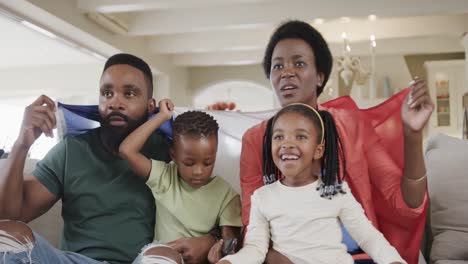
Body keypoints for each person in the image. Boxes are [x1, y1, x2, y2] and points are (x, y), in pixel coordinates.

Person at [240, 20, 433, 264]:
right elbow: (253, 226)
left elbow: (405, 203)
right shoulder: (255, 140)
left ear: (320, 77)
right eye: (277, 66)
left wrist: (412, 135)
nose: (286, 72)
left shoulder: (350, 124)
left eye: (299, 63)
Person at [0, 53, 215, 264]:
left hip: (142, 261)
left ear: (151, 106)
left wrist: (210, 240)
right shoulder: (71, 150)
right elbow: (11, 215)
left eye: (129, 94)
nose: (115, 102)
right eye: (107, 93)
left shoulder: (168, 153)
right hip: (74, 261)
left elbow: (211, 205)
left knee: (163, 258)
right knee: (7, 236)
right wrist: (21, 144)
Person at [218, 103, 407, 264]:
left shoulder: (335, 190)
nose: (287, 143)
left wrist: (393, 260)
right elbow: (255, 248)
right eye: (279, 137)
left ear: (318, 150)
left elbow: (367, 237)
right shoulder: (262, 197)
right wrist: (230, 261)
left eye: (300, 137)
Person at [119, 99, 242, 264]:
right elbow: (127, 150)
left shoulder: (226, 194)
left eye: (208, 162)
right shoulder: (165, 177)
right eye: (189, 163)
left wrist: (220, 254)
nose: (198, 171)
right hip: (160, 257)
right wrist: (162, 116)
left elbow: (230, 243)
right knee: (161, 255)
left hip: (200, 260)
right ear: (174, 156)